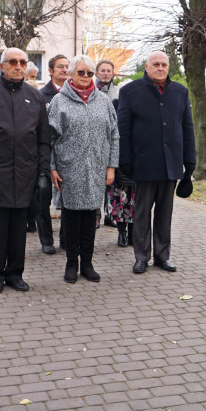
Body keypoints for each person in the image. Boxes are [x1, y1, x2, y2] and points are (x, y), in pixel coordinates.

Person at [0, 47, 51, 293]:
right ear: (2, 66)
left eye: (22, 62)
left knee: (19, 229)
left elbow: (43, 139)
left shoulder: (35, 97)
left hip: (26, 174)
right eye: (12, 62)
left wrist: (43, 172)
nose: (18, 66)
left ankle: (15, 273)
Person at [118, 50, 194, 274]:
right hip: (143, 164)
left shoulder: (180, 92)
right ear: (147, 67)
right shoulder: (130, 92)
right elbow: (124, 130)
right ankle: (141, 256)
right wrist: (125, 162)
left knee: (165, 213)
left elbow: (187, 129)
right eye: (156, 64)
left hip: (170, 165)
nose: (160, 68)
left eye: (164, 64)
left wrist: (190, 162)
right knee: (141, 213)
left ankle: (162, 256)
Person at [48, 55, 119, 283]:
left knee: (90, 218)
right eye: (81, 72)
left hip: (96, 169)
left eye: (90, 73)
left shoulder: (104, 101)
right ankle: (71, 263)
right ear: (70, 74)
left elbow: (114, 135)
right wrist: (52, 168)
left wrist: (111, 166)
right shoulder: (60, 102)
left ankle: (87, 263)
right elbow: (49, 139)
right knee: (70, 219)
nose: (86, 77)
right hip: (69, 169)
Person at [35, 53, 70, 255]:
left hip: (67, 158)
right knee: (43, 199)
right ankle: (46, 240)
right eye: (60, 67)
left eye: (67, 66)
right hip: (45, 156)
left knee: (68, 201)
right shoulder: (40, 95)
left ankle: (65, 239)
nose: (65, 70)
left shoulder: (73, 94)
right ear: (50, 71)